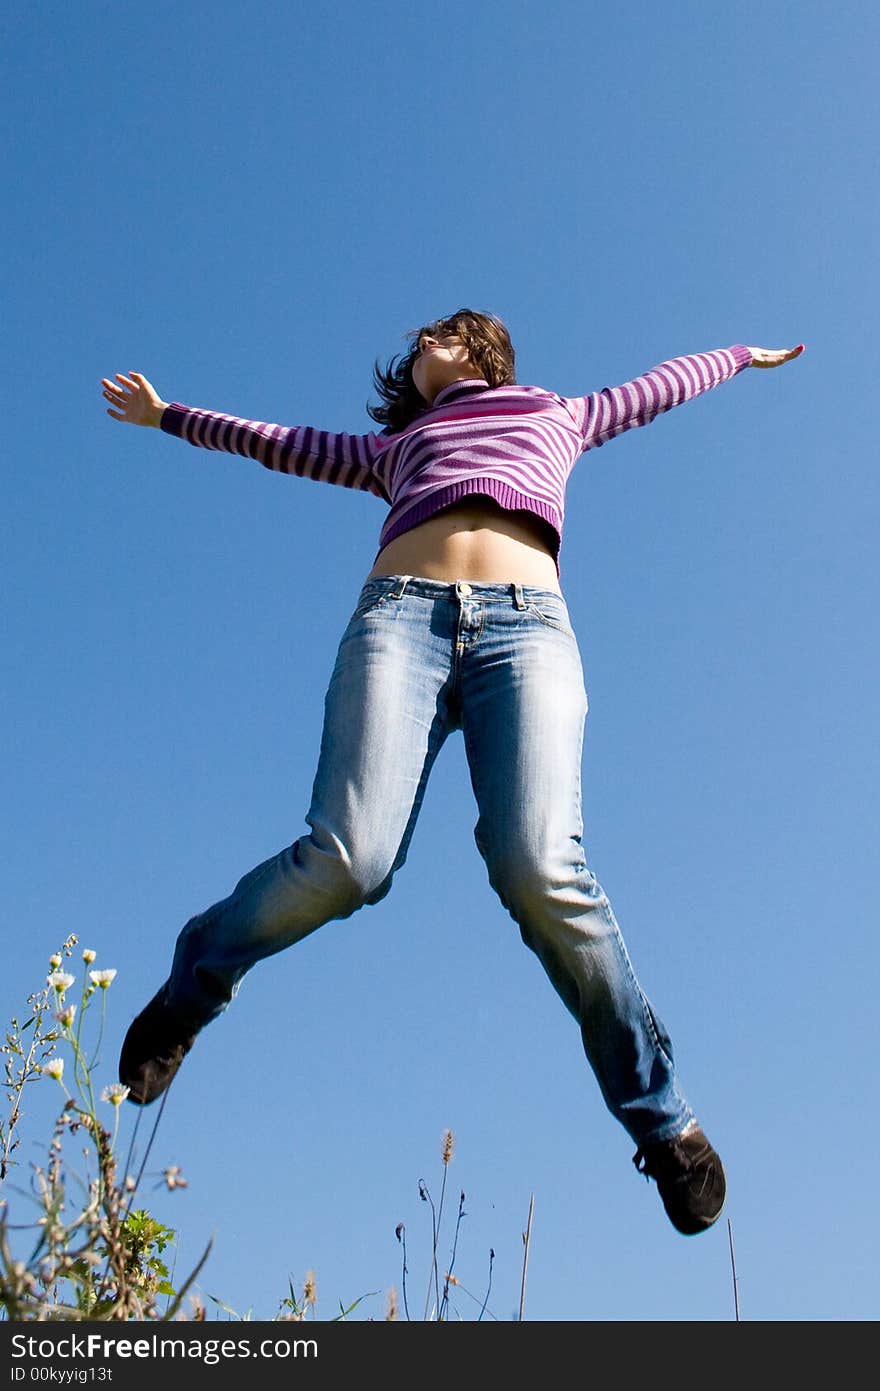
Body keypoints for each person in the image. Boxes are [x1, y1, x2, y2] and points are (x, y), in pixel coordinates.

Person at [101, 312, 803, 1236]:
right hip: (402, 621)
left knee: (541, 866)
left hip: (529, 630)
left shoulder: (559, 412)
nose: (418, 340)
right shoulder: (401, 446)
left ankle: (663, 1119)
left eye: (438, 332)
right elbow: (282, 444)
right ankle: (196, 980)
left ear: (478, 349)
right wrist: (170, 416)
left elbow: (659, 386)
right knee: (350, 860)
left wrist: (740, 355)